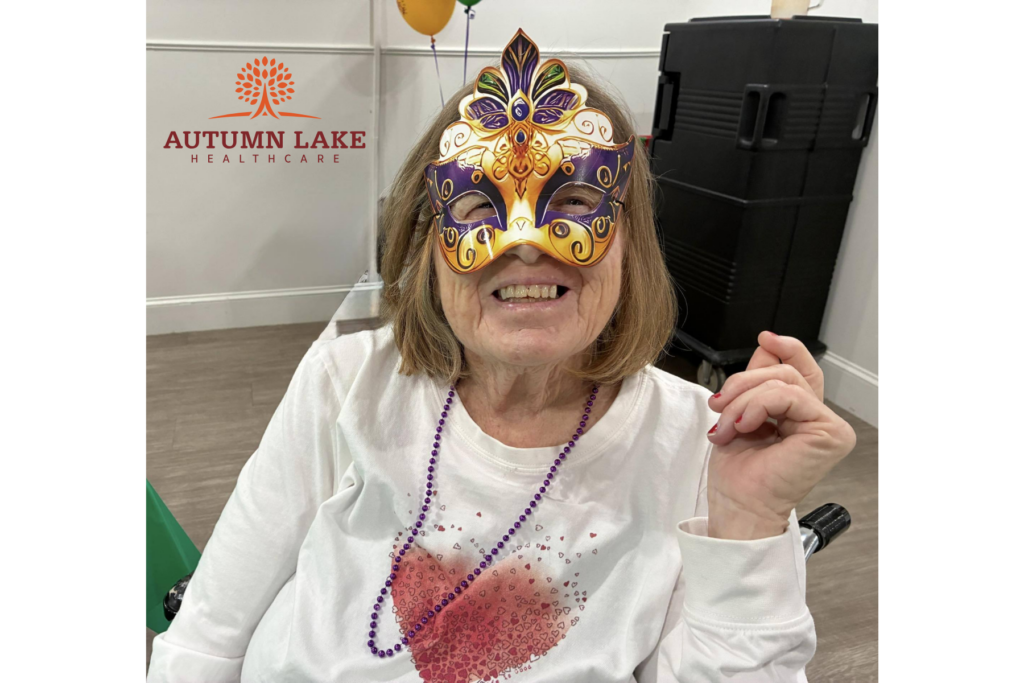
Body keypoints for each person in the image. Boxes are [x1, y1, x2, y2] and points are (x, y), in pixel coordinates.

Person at [147, 29, 856, 683]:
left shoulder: (709, 448)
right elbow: (208, 631)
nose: (526, 241)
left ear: (631, 238)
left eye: (575, 200)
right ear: (428, 241)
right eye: (479, 206)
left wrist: (750, 521)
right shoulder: (346, 382)